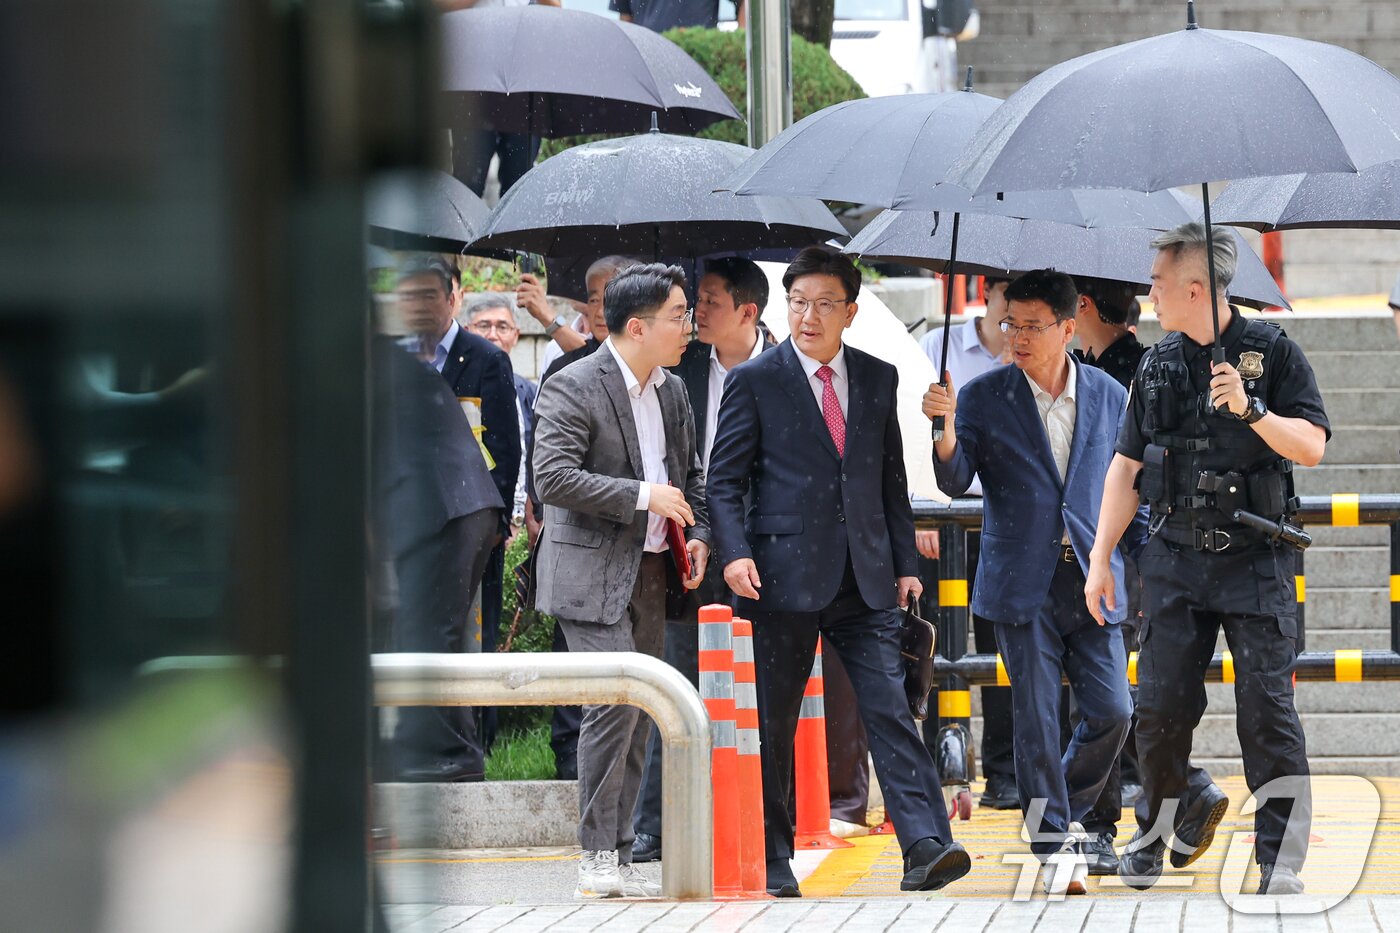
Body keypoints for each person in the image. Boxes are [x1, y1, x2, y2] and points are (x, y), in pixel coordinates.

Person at [708, 245, 970, 898]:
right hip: (778, 576)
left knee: (890, 710)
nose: (809, 316)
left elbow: (890, 480)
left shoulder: (879, 378)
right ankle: (773, 858)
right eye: (798, 303)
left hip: (866, 578)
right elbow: (724, 480)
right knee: (774, 723)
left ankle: (926, 844)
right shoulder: (755, 380)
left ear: (850, 311)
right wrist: (735, 551)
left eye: (825, 304)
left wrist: (906, 564)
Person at [1084, 223, 1329, 896]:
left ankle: (1279, 859)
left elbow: (1311, 444)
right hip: (1173, 559)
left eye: (1160, 285)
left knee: (1267, 714)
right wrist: (1101, 557)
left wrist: (1252, 411)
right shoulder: (1157, 364)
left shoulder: (1273, 354)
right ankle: (1154, 833)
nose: (1151, 295)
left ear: (1197, 289)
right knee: (1159, 709)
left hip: (1256, 557)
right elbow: (1126, 467)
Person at [923, 269, 1138, 895]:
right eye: (1010, 323)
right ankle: (1053, 845)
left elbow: (1127, 484)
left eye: (1032, 326)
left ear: (1069, 328)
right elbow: (955, 480)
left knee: (1112, 710)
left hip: (1095, 574)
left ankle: (1054, 814)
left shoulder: (1107, 394)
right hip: (1022, 580)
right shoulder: (985, 396)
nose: (1016, 335)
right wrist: (944, 429)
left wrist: (1135, 561)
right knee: (1037, 715)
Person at [532, 263, 709, 899]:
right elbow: (551, 478)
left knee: (643, 711)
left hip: (655, 572)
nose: (689, 326)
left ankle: (623, 850)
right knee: (611, 706)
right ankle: (596, 854)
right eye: (679, 316)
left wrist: (701, 536)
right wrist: (642, 496)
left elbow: (692, 478)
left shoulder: (673, 390)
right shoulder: (574, 384)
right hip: (588, 571)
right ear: (637, 327)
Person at [631, 257, 776, 863]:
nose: (698, 314)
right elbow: (679, 465)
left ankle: (764, 826)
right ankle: (655, 825)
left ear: (749, 310)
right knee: (677, 684)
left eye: (711, 301)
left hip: (771, 552)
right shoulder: (677, 371)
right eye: (693, 304)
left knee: (767, 692)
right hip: (691, 548)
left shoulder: (790, 369)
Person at [371, 338, 504, 782]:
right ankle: (437, 750)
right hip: (458, 506)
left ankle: (451, 757)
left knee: (429, 634)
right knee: (428, 632)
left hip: (450, 508)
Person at [528, 254, 636, 780]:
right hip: (576, 543)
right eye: (592, 297)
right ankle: (568, 761)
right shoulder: (566, 372)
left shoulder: (665, 379)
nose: (600, 306)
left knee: (632, 688)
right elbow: (544, 464)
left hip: (640, 555)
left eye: (611, 294)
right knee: (580, 669)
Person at [917, 274, 1019, 811]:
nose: (1015, 318)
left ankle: (1006, 770)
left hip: (1005, 520)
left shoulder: (1031, 356)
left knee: (1004, 647)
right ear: (990, 291)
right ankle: (945, 760)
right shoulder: (940, 347)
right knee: (937, 646)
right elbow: (913, 435)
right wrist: (923, 511)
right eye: (1010, 301)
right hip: (946, 516)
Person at [464, 292, 536, 532]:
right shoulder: (456, 389)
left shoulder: (531, 393)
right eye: (483, 325)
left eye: (502, 326)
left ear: (516, 335)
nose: (493, 335)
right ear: (467, 330)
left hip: (524, 524)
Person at [610, 0, 745, 31]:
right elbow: (625, 17)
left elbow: (746, 4)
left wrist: (739, 52)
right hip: (648, 61)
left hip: (700, 60)